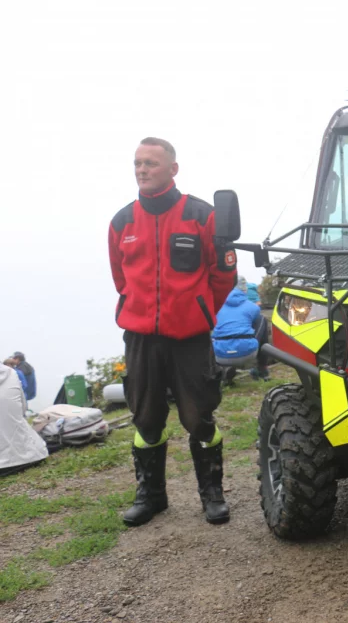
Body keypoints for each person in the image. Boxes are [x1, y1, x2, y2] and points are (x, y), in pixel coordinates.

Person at [108, 137, 237, 526]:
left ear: (172, 169)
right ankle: (152, 496)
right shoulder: (121, 221)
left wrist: (198, 312)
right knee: (145, 418)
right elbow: (120, 278)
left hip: (190, 338)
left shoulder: (202, 215)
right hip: (142, 339)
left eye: (150, 163)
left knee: (199, 418)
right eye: (137, 163)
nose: (142, 170)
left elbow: (223, 274)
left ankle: (211, 493)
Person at [212, 275, 270, 382]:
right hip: (246, 353)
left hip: (219, 354)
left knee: (222, 330)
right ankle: (262, 368)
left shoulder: (216, 306)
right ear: (245, 289)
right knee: (261, 320)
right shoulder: (253, 307)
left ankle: (224, 370)